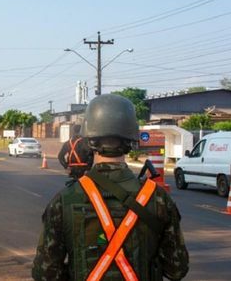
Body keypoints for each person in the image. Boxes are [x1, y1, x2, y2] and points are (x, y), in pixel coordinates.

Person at [33, 94, 189, 280]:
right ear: (131, 140)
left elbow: (45, 274)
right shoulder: (157, 198)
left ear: (89, 140)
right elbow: (176, 270)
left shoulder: (64, 200)